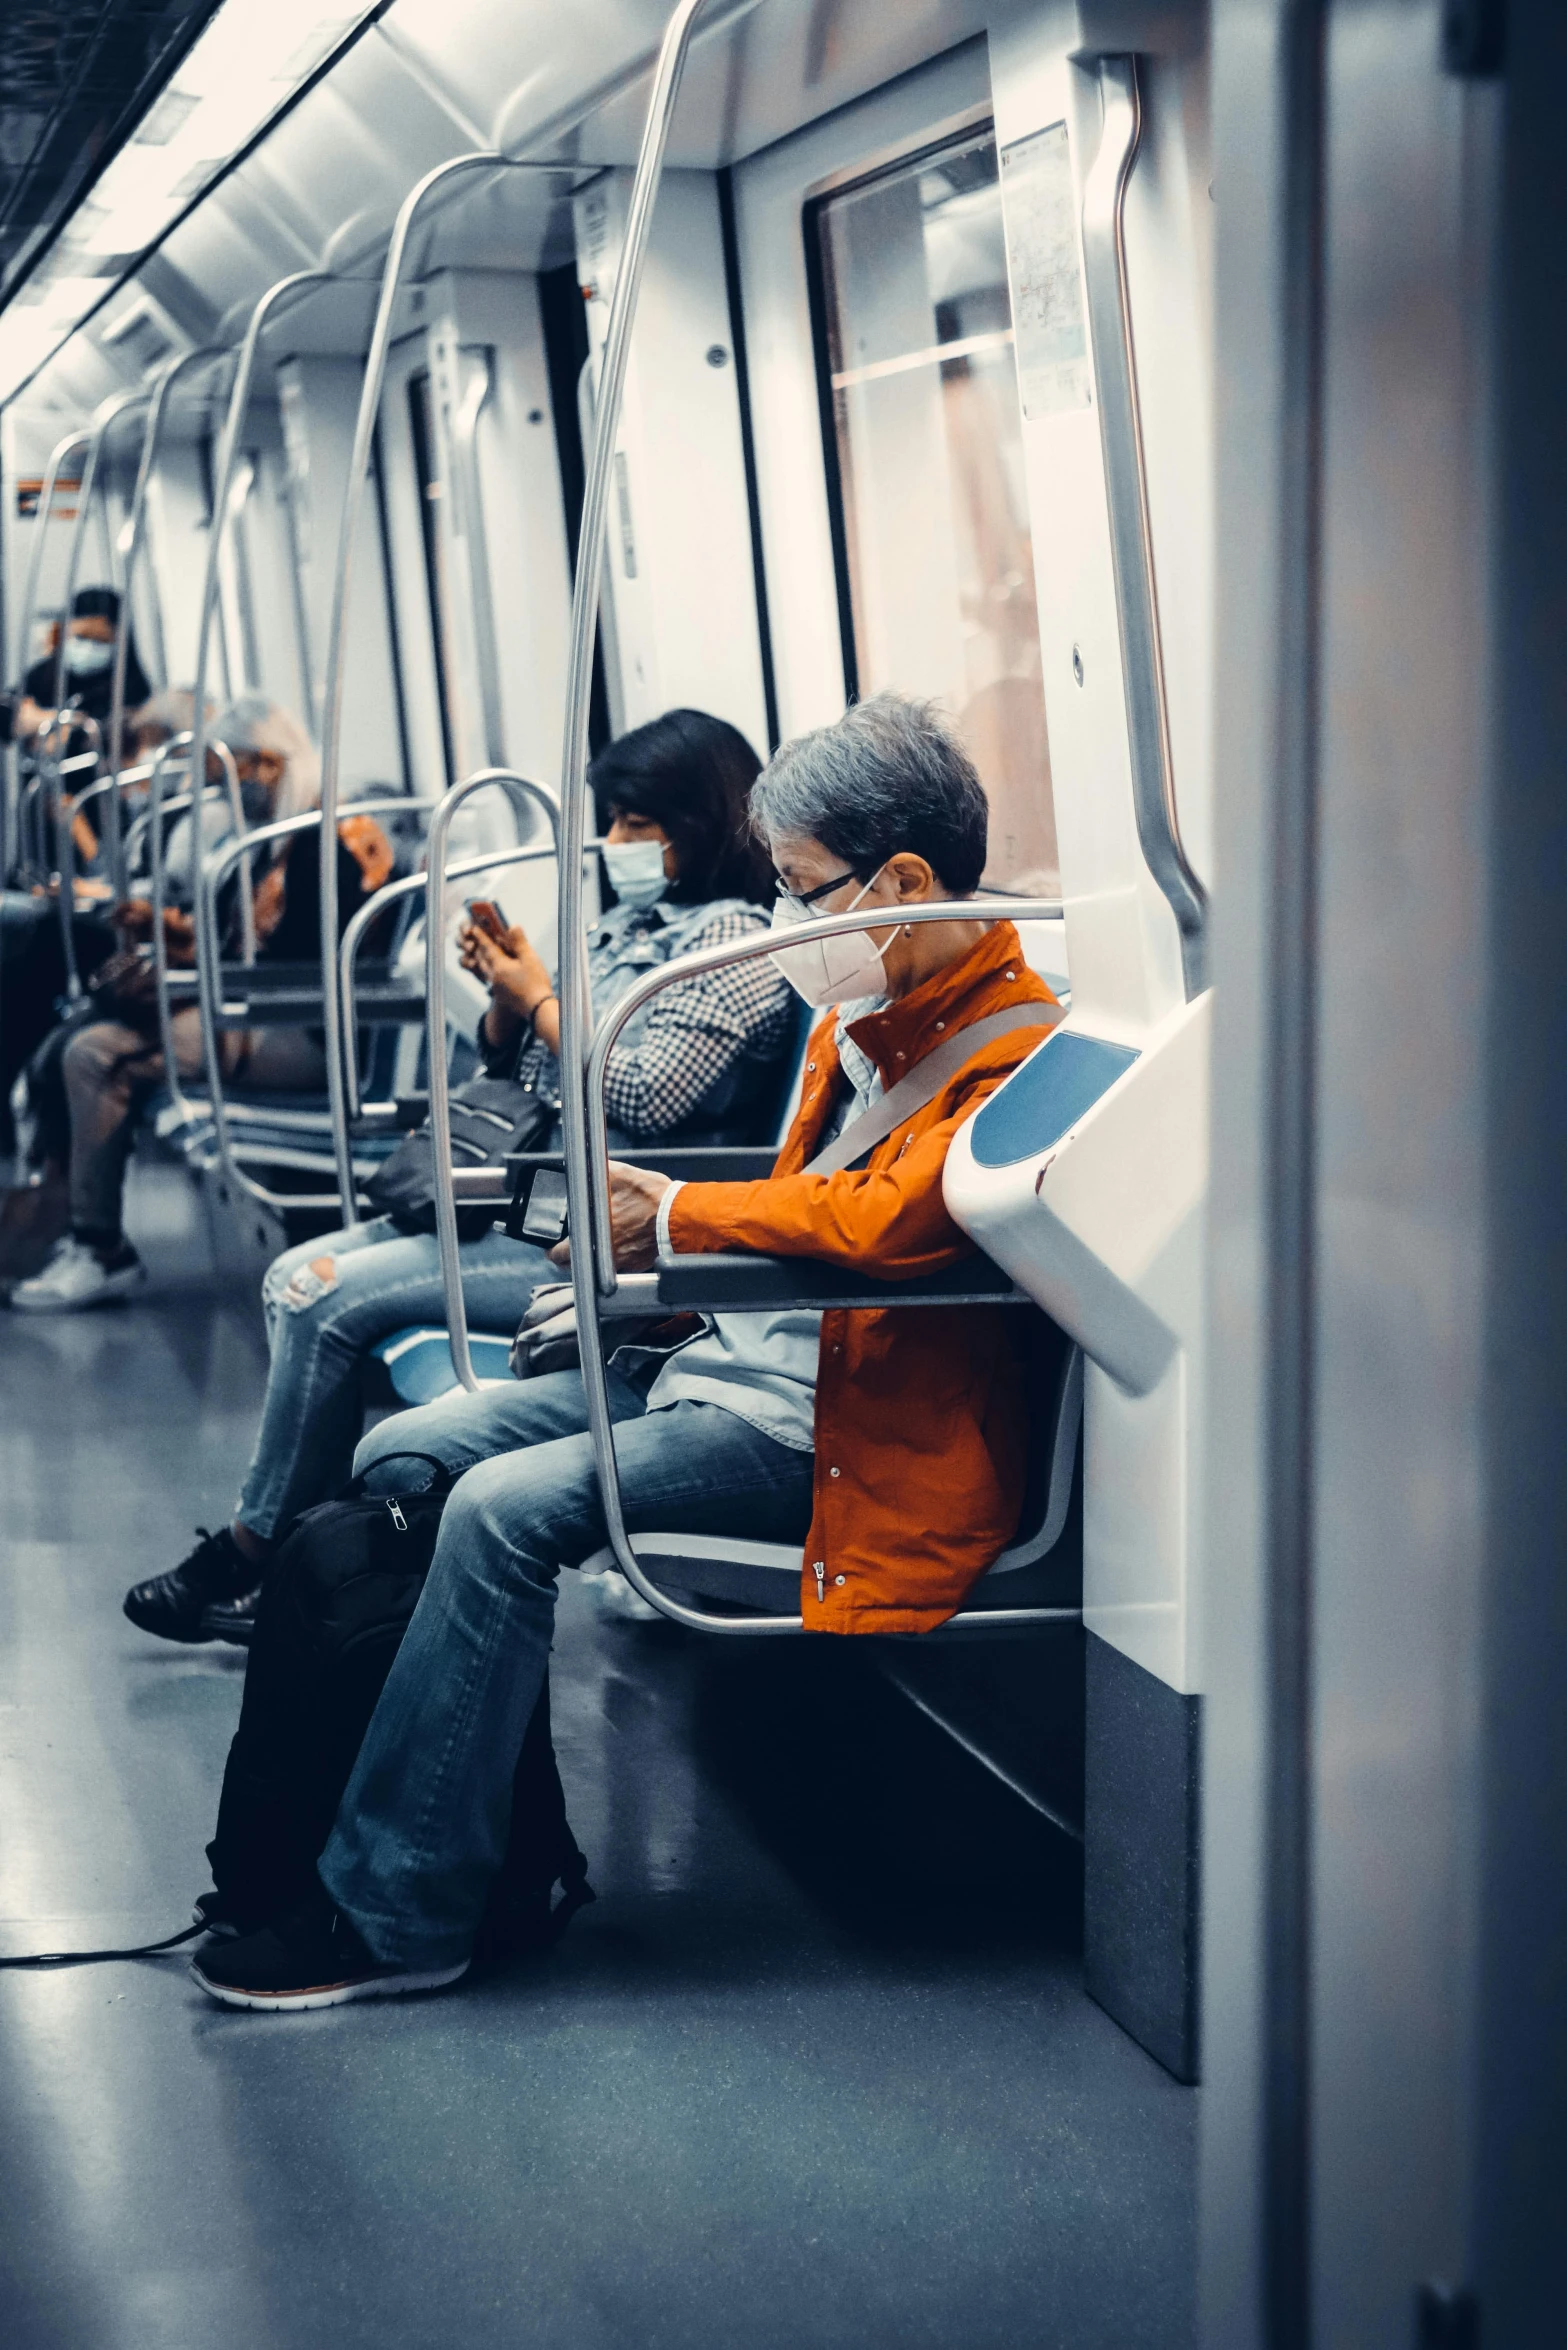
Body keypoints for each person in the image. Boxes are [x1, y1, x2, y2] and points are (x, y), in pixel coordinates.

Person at [190, 692, 1062, 2012]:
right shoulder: (862, 1022)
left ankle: (402, 1907)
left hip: (830, 1434)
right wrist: (656, 1283)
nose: (781, 922)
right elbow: (808, 1219)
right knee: (404, 1449)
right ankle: (500, 1851)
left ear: (896, 883)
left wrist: (672, 1219)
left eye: (801, 889)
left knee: (498, 1511)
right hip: (724, 1369)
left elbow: (890, 1218)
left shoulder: (1010, 1046)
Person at [122, 707, 794, 1647]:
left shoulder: (734, 950)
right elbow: (524, 1076)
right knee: (293, 1278)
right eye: (610, 822)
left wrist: (543, 1000)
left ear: (703, 822)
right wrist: (508, 1010)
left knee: (317, 1295)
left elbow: (641, 1099)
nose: (615, 845)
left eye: (638, 825)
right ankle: (302, 1560)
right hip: (517, 1199)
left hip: (597, 1236)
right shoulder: (626, 926)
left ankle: (256, 1556)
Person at [11, 698, 390, 1314]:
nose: (227, 796)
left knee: (96, 1055)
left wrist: (190, 982)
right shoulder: (282, 839)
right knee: (88, 1032)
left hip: (304, 1036)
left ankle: (100, 1247)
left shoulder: (329, 845)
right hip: (258, 1011)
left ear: (268, 766)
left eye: (232, 776)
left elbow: (299, 968)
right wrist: (176, 943)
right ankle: (78, 1224)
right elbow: (247, 948)